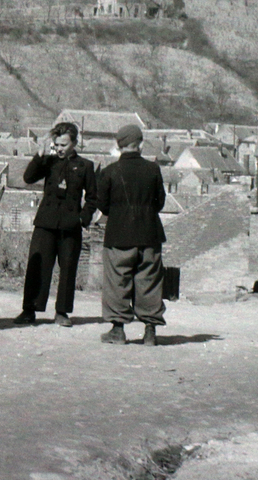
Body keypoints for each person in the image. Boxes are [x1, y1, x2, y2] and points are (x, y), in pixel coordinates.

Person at [16, 121, 98, 326]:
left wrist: (83, 218)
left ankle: (62, 311)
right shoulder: (49, 162)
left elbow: (93, 198)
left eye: (64, 145)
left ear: (74, 143)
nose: (60, 149)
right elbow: (28, 177)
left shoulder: (85, 166)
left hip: (70, 225)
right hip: (46, 222)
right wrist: (40, 155)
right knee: (38, 267)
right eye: (57, 145)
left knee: (68, 268)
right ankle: (29, 310)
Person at [94, 123, 167, 345]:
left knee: (117, 281)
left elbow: (103, 206)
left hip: (119, 234)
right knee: (149, 281)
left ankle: (117, 330)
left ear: (119, 146)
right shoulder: (153, 169)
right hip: (149, 234)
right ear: (140, 144)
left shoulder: (109, 172)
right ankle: (150, 331)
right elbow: (160, 202)